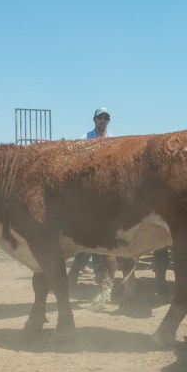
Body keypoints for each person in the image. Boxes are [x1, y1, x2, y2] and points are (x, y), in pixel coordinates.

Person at [71, 107, 112, 285]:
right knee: (89, 236)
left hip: (107, 195)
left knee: (100, 236)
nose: (103, 120)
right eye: (100, 118)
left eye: (106, 118)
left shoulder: (114, 140)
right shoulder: (84, 140)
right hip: (88, 195)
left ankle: (77, 274)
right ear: (94, 120)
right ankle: (93, 274)